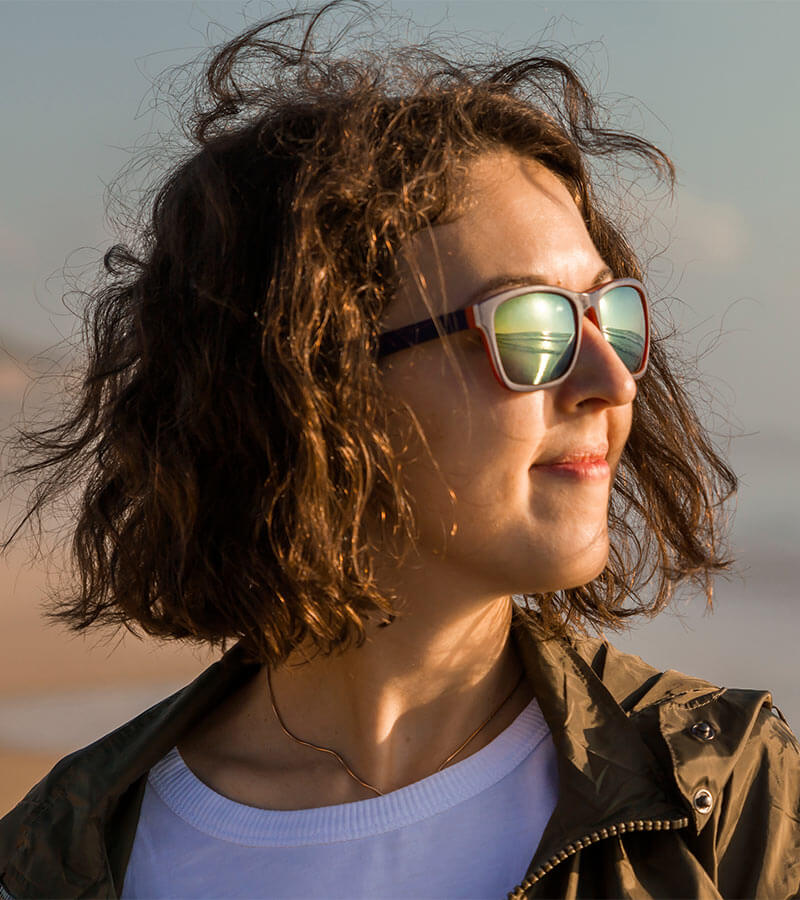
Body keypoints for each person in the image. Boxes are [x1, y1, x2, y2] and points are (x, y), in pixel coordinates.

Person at [1, 6, 798, 898]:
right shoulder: (68, 855)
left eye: (609, 315)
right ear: (311, 382)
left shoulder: (719, 792)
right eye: (531, 328)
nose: (611, 381)